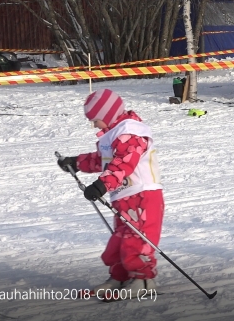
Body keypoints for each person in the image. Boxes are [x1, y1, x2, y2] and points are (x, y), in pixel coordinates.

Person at [57, 89, 164, 295]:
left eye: (95, 120)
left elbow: (124, 163)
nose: (94, 125)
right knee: (119, 241)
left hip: (142, 196)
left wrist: (102, 185)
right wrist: (76, 162)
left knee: (136, 240)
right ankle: (119, 277)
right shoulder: (113, 135)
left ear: (107, 115)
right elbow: (102, 160)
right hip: (124, 197)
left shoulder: (132, 132)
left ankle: (143, 282)